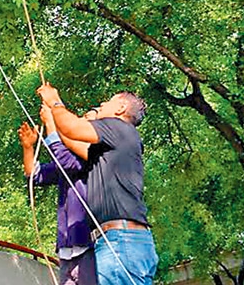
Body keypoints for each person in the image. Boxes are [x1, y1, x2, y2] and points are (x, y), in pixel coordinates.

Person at [36, 84, 158, 285]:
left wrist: (55, 101)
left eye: (106, 102)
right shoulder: (113, 144)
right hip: (124, 241)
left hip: (121, 241)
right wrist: (52, 119)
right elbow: (71, 139)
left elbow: (72, 128)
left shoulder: (118, 127)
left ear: (120, 109)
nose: (100, 106)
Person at [18, 105, 97, 285]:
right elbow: (34, 175)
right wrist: (28, 148)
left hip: (89, 245)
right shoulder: (69, 160)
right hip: (66, 248)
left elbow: (64, 159)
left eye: (87, 118)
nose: (80, 121)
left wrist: (52, 122)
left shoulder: (94, 156)